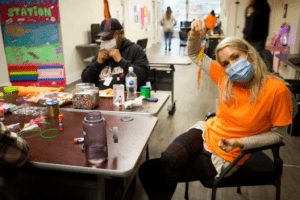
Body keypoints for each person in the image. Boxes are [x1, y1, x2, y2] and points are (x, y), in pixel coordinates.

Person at [138, 18, 292, 199]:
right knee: (167, 161)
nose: (232, 65)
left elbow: (277, 135)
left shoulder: (277, 90)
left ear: (249, 54)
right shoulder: (225, 77)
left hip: (229, 152)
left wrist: (241, 143)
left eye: (236, 57)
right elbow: (195, 54)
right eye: (225, 63)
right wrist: (194, 34)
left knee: (150, 171)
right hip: (206, 132)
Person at [81, 18, 150, 90]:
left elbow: (143, 76)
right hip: (101, 96)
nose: (106, 41)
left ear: (122, 33)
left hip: (125, 97)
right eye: (104, 38)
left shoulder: (135, 50)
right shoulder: (102, 53)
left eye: (110, 37)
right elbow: (85, 80)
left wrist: (121, 61)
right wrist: (97, 64)